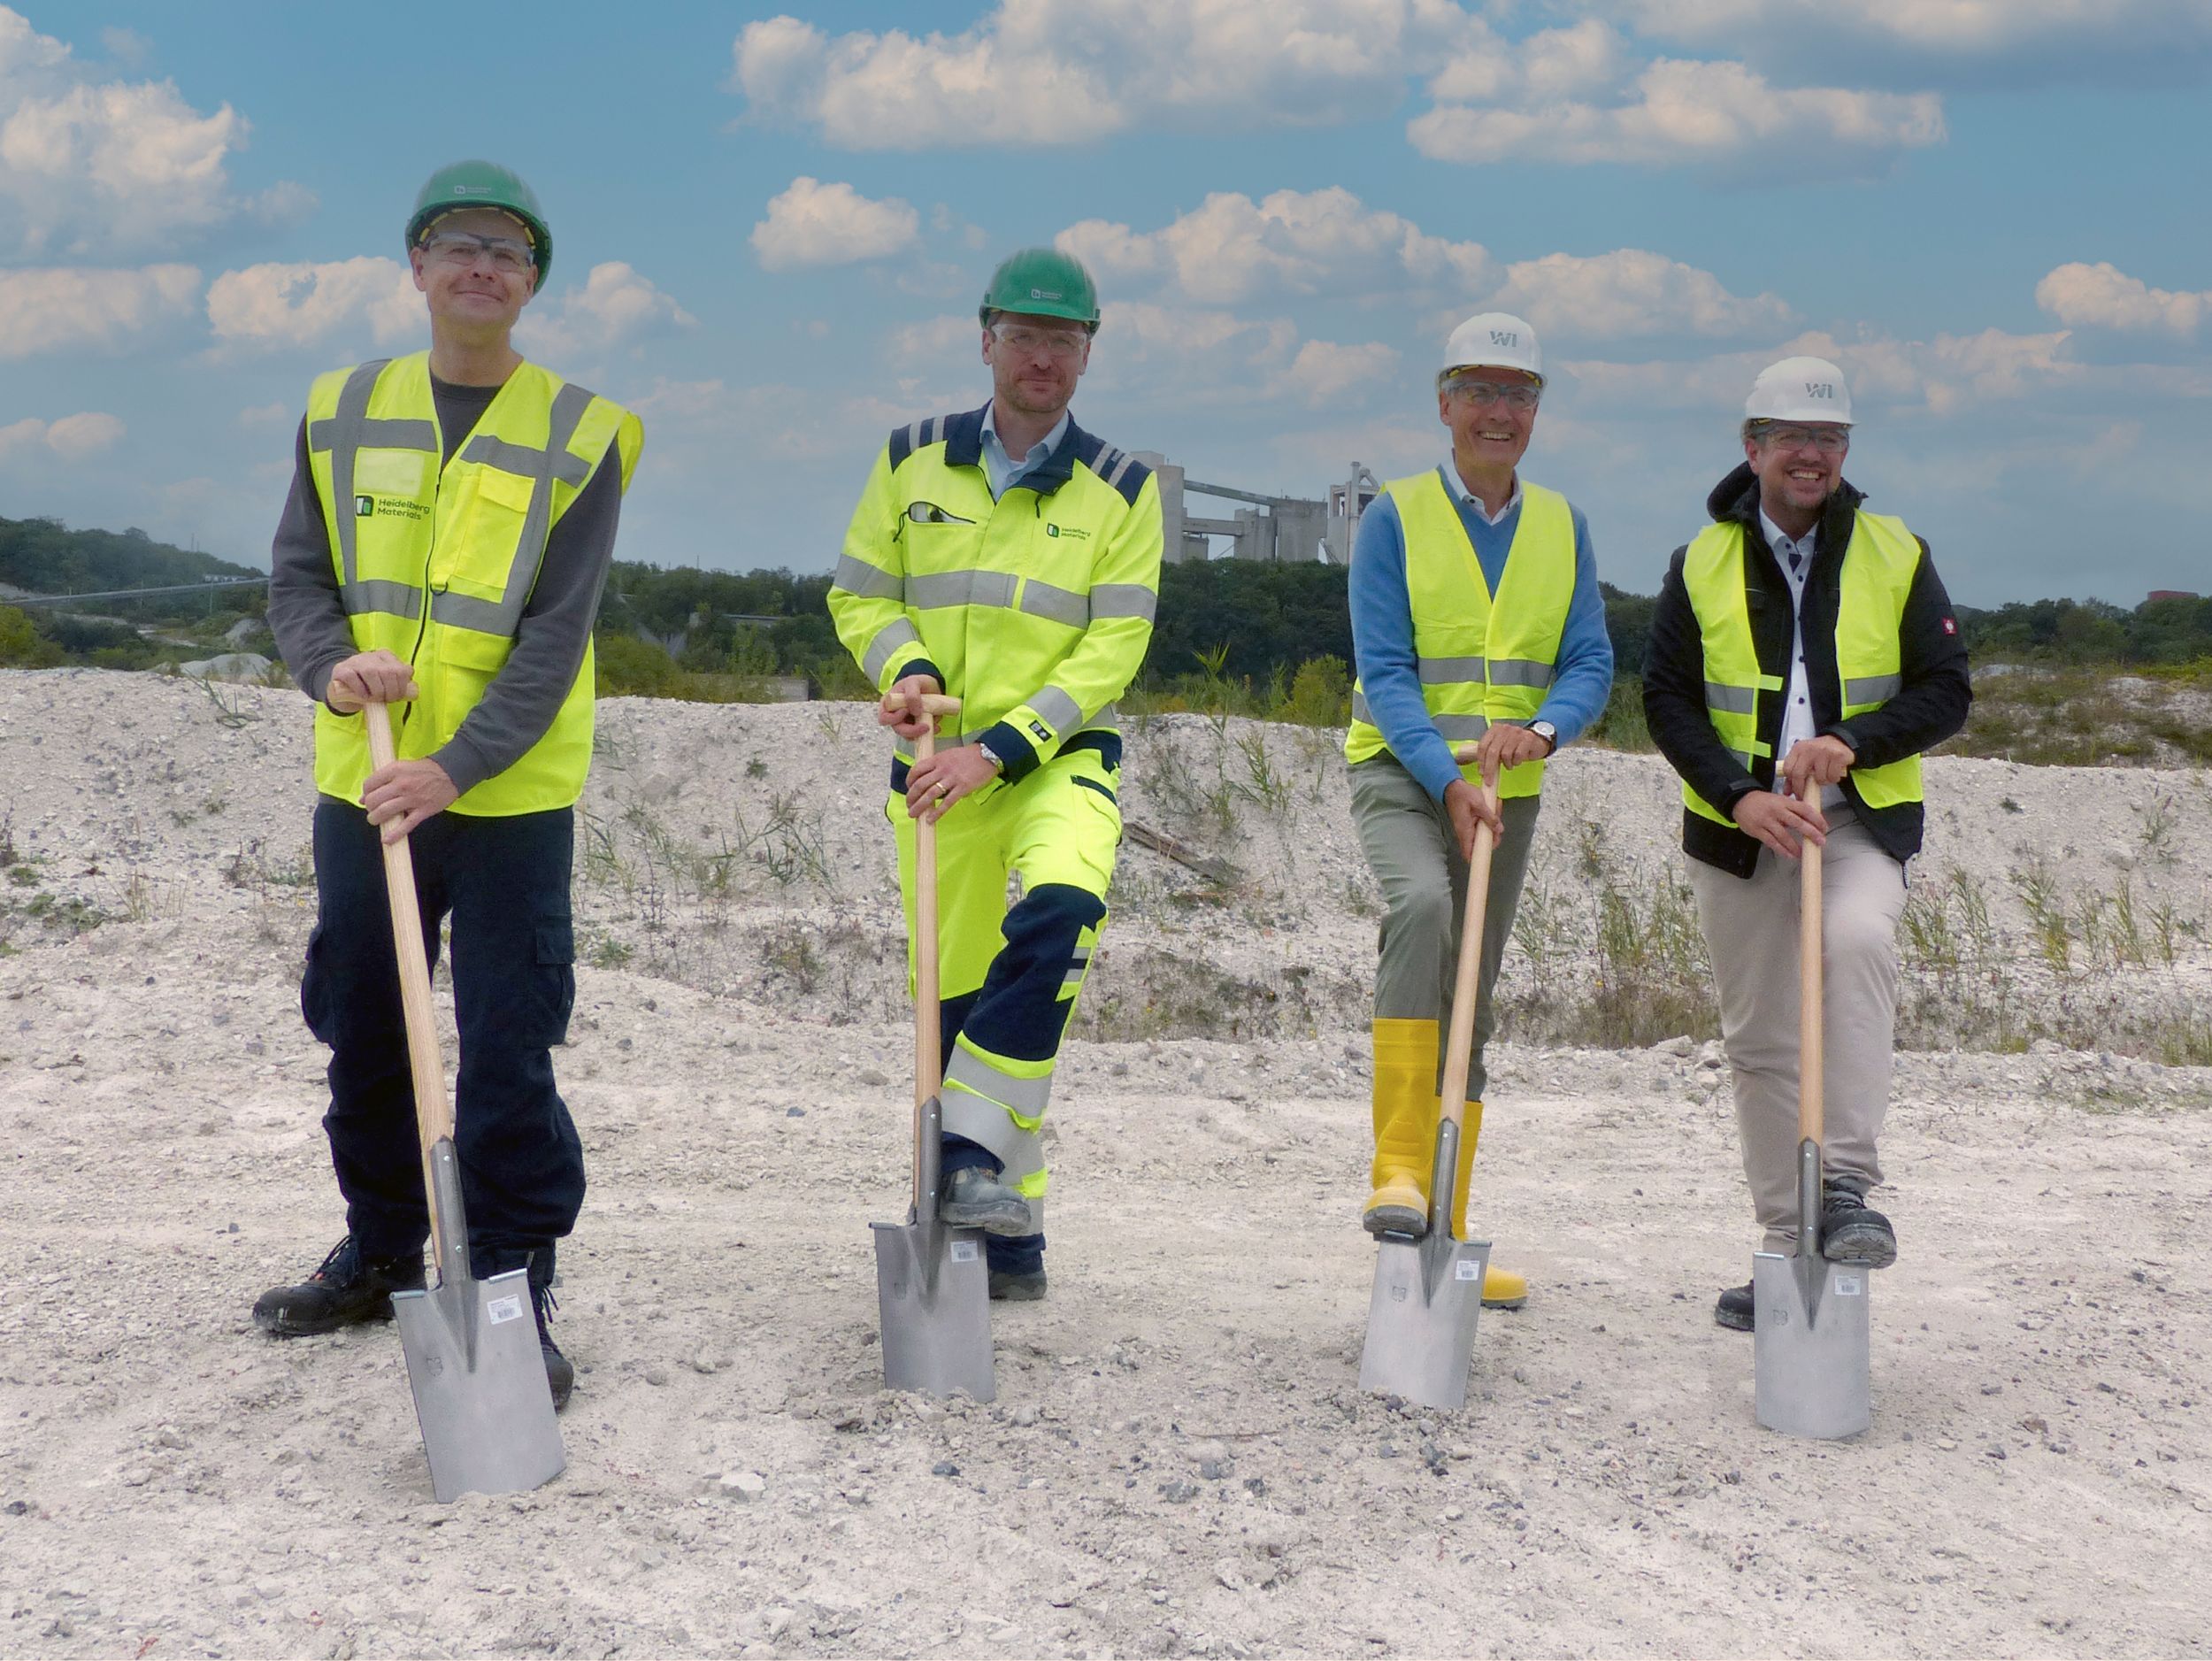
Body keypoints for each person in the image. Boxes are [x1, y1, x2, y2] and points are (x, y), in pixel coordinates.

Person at [257, 160, 644, 1408]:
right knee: (366, 1019)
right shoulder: (341, 408)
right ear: (416, 265)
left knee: (507, 1040)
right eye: (457, 243)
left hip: (508, 794)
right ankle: (381, 1252)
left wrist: (455, 765)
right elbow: (298, 581)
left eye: (510, 252)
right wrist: (328, 669)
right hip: (364, 785)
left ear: (532, 285)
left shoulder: (584, 432)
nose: (482, 265)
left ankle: (515, 1282)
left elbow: (555, 635)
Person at [828, 248, 1162, 1301]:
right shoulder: (910, 459)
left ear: (1087, 353)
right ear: (986, 340)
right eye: (1024, 335)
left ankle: (964, 1163)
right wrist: (907, 668)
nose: (1042, 357)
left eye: (1063, 340)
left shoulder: (1123, 490)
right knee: (956, 1002)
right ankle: (1005, 1234)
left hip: (1056, 761)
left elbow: (1110, 652)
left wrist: (1001, 750)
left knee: (1062, 916)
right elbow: (861, 598)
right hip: (934, 768)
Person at [1642, 355, 1970, 1332]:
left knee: (1859, 942)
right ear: (1752, 448)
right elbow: (1664, 699)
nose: (1811, 454)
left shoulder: (1894, 550)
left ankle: (1849, 1193)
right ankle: (1790, 1249)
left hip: (1856, 817)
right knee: (1761, 1041)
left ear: (1845, 451)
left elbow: (1946, 688)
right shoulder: (1698, 560)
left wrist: (1850, 743)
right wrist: (1739, 796)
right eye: (1792, 437)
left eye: (1829, 439)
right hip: (1744, 831)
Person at [1343, 311, 1614, 1309]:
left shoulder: (1560, 524)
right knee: (1422, 908)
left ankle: (1446, 1233)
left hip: (1509, 791)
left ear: (1535, 412)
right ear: (1444, 402)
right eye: (1481, 390)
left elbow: (1590, 658)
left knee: (1475, 995)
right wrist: (1445, 777)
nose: (1499, 412)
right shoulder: (1395, 517)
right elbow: (1386, 668)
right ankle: (1397, 1172)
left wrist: (1541, 734)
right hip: (1402, 772)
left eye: (1519, 394)